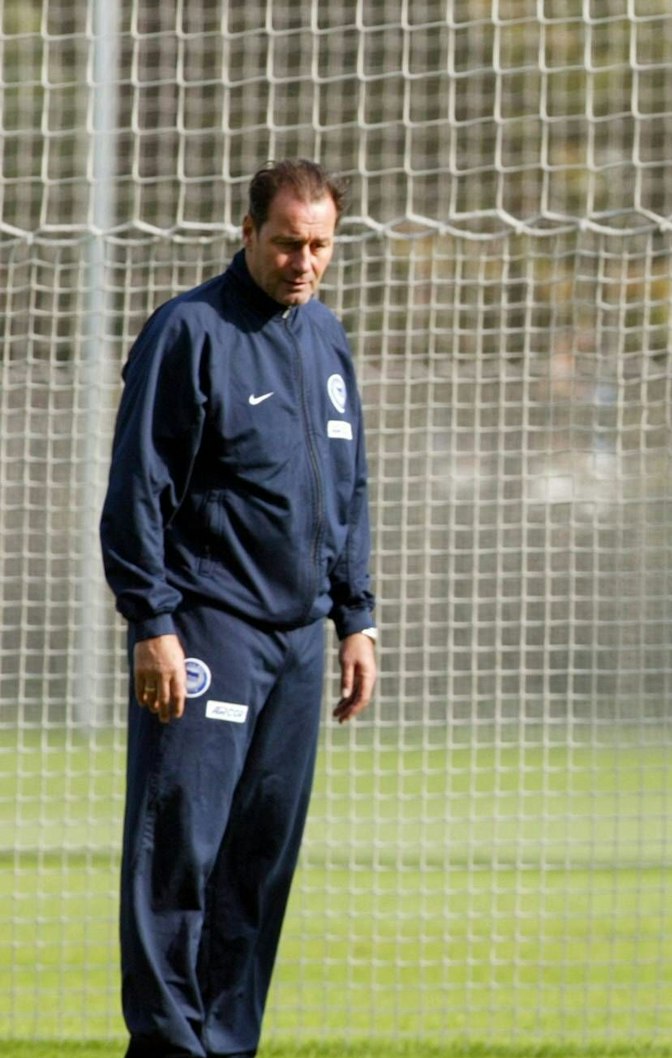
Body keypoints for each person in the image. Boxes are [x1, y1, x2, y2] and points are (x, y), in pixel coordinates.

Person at [100, 159, 379, 1058]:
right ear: (249, 231)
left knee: (258, 865)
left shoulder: (327, 341)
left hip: (299, 644)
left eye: (320, 246)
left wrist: (356, 616)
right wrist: (152, 623)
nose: (304, 261)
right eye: (288, 242)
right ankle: (170, 1045)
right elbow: (138, 487)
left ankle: (230, 1042)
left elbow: (348, 492)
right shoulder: (191, 331)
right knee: (180, 852)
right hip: (208, 626)